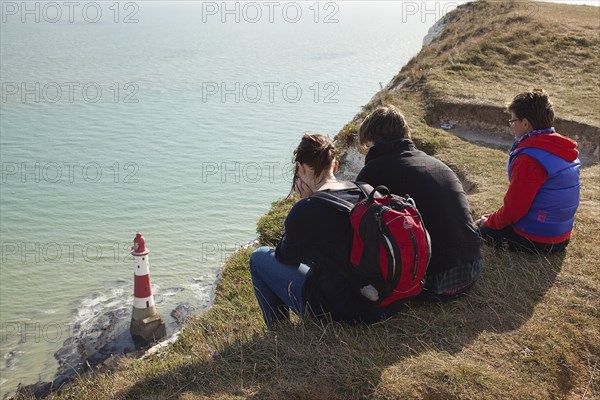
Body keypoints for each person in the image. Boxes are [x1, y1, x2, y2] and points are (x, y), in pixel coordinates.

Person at [249, 134, 399, 328]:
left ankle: (279, 330)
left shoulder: (308, 208)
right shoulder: (367, 190)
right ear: (335, 165)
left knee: (259, 257)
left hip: (339, 311)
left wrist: (304, 202)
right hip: (382, 303)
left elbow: (284, 256)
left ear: (301, 168)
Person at [356, 105, 483, 302]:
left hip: (435, 280)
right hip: (472, 268)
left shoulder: (373, 171)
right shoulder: (435, 163)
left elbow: (361, 225)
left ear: (372, 138)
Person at [476, 89, 580, 253]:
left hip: (539, 239)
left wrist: (487, 223)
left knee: (480, 232)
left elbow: (514, 210)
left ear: (525, 123)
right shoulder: (559, 147)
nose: (512, 126)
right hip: (562, 235)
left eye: (513, 121)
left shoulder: (530, 159)